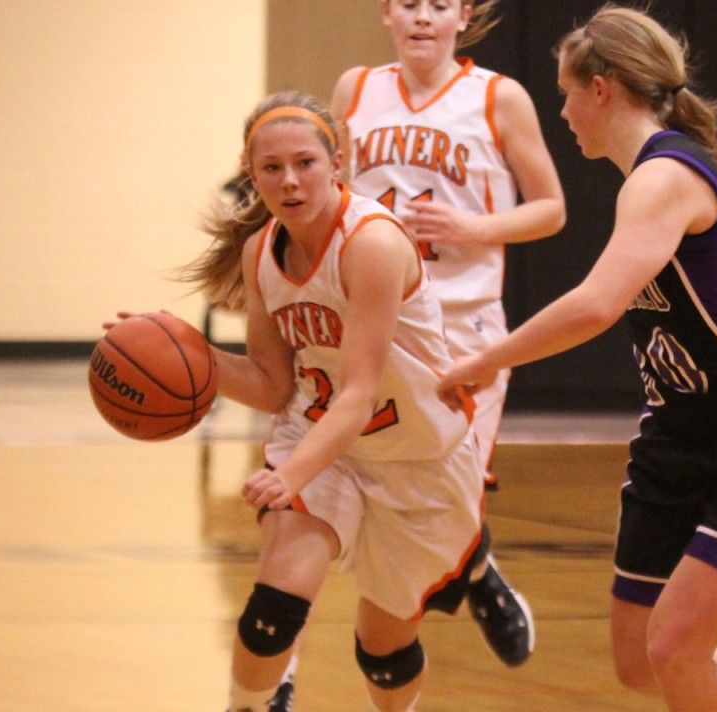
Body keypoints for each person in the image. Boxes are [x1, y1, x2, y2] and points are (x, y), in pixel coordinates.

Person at [438, 6, 717, 712]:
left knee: (675, 649)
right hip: (678, 440)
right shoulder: (681, 180)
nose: (562, 110)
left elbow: (596, 305)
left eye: (566, 92)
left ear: (602, 88)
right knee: (639, 660)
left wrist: (485, 359)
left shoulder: (663, 179)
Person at [167, 90, 491, 712]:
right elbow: (273, 386)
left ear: (336, 162)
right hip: (323, 442)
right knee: (273, 611)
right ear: (250, 172)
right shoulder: (260, 251)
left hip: (416, 455)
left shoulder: (370, 242)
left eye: (305, 163)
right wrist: (190, 355)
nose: (289, 181)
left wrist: (289, 474)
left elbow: (360, 391)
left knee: (384, 654)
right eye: (271, 168)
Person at [331, 0, 566, 494]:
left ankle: (470, 569)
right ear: (386, 12)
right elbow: (333, 196)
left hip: (463, 318)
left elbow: (551, 209)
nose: (422, 17)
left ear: (463, 16)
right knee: (380, 481)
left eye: (439, 6)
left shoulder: (500, 97)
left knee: (457, 485)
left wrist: (472, 228)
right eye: (409, 4)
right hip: (377, 316)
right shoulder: (355, 88)